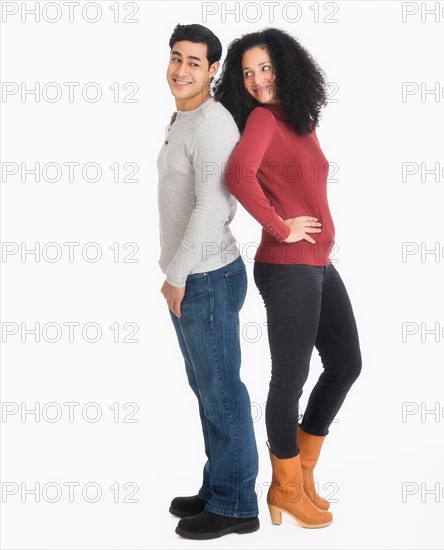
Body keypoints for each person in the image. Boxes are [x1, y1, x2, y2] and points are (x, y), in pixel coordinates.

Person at [214, 28, 362, 529]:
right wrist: (280, 227)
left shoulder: (298, 119)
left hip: (319, 263)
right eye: (247, 72)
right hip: (287, 267)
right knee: (290, 378)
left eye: (266, 68)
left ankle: (303, 471)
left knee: (346, 364)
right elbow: (239, 175)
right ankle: (285, 486)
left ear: (286, 68)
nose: (256, 80)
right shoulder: (259, 118)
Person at [157, 23, 259, 540]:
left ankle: (237, 503)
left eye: (194, 61)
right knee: (207, 391)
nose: (181, 69)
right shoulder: (185, 116)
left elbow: (214, 205)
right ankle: (219, 483)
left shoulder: (213, 123)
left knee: (222, 393)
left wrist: (176, 276)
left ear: (213, 70)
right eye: (176, 57)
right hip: (192, 280)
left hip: (206, 278)